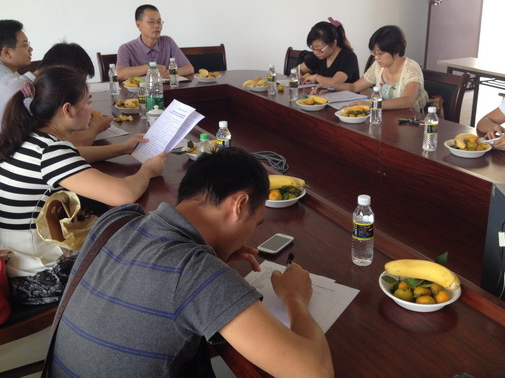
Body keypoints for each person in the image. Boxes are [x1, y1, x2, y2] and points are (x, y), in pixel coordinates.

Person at [48, 147, 333, 377]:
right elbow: (314, 372)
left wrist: (216, 257)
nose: (251, 233)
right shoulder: (197, 272)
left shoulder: (116, 220)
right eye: (256, 222)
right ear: (239, 205)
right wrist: (294, 297)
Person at [0, 66, 167, 305]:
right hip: (33, 277)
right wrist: (147, 171)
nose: (91, 110)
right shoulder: (50, 151)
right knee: (136, 251)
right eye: (87, 102)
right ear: (67, 109)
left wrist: (122, 148)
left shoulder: (31, 139)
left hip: (9, 263)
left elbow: (74, 155)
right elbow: (124, 194)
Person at [0, 42, 112, 192]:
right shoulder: (31, 97)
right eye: (77, 83)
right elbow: (69, 146)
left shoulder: (19, 85)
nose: (79, 89)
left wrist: (122, 148)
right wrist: (95, 128)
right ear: (60, 74)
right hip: (6, 188)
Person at [325, 25, 429, 113]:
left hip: (408, 121)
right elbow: (354, 87)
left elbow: (408, 100)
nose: (376, 57)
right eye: (374, 53)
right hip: (384, 117)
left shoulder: (411, 68)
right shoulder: (378, 66)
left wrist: (371, 104)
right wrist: (329, 86)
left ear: (396, 50)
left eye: (380, 53)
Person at [116, 4, 194, 80]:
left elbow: (189, 68)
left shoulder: (168, 42)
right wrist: (150, 67)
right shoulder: (126, 48)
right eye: (151, 22)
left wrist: (172, 72)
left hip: (166, 87)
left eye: (159, 22)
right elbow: (118, 74)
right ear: (139, 25)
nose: (157, 26)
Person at [300, 17, 359, 89]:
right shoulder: (318, 55)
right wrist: (299, 76)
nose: (315, 52)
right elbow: (298, 70)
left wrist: (316, 77)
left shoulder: (348, 57)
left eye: (319, 49)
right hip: (322, 94)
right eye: (313, 48)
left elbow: (334, 83)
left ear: (333, 43)